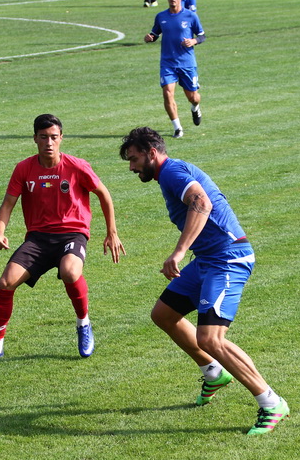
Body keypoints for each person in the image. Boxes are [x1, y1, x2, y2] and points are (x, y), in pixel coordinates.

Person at [119, 126, 290, 435]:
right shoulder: (169, 173)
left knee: (210, 339)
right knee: (164, 315)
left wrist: (179, 252)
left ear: (151, 153)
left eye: (133, 159)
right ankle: (213, 372)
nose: (131, 167)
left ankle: (271, 402)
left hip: (228, 258)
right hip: (208, 260)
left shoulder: (172, 173)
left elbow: (201, 203)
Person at [0, 114, 125, 364]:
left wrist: (112, 232)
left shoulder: (77, 166)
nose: (49, 142)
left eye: (54, 137)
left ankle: (83, 325)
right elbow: (8, 203)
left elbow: (103, 194)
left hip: (72, 234)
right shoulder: (24, 168)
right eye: (43, 137)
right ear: (35, 139)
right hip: (38, 239)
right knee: (6, 282)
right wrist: (0, 231)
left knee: (70, 272)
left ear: (61, 138)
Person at [144, 0, 204, 139]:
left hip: (187, 63)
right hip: (168, 63)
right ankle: (177, 128)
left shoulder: (191, 16)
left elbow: (202, 36)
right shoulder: (161, 16)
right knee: (167, 93)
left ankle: (195, 107)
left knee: (193, 96)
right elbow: (154, 34)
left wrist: (194, 41)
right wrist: (149, 38)